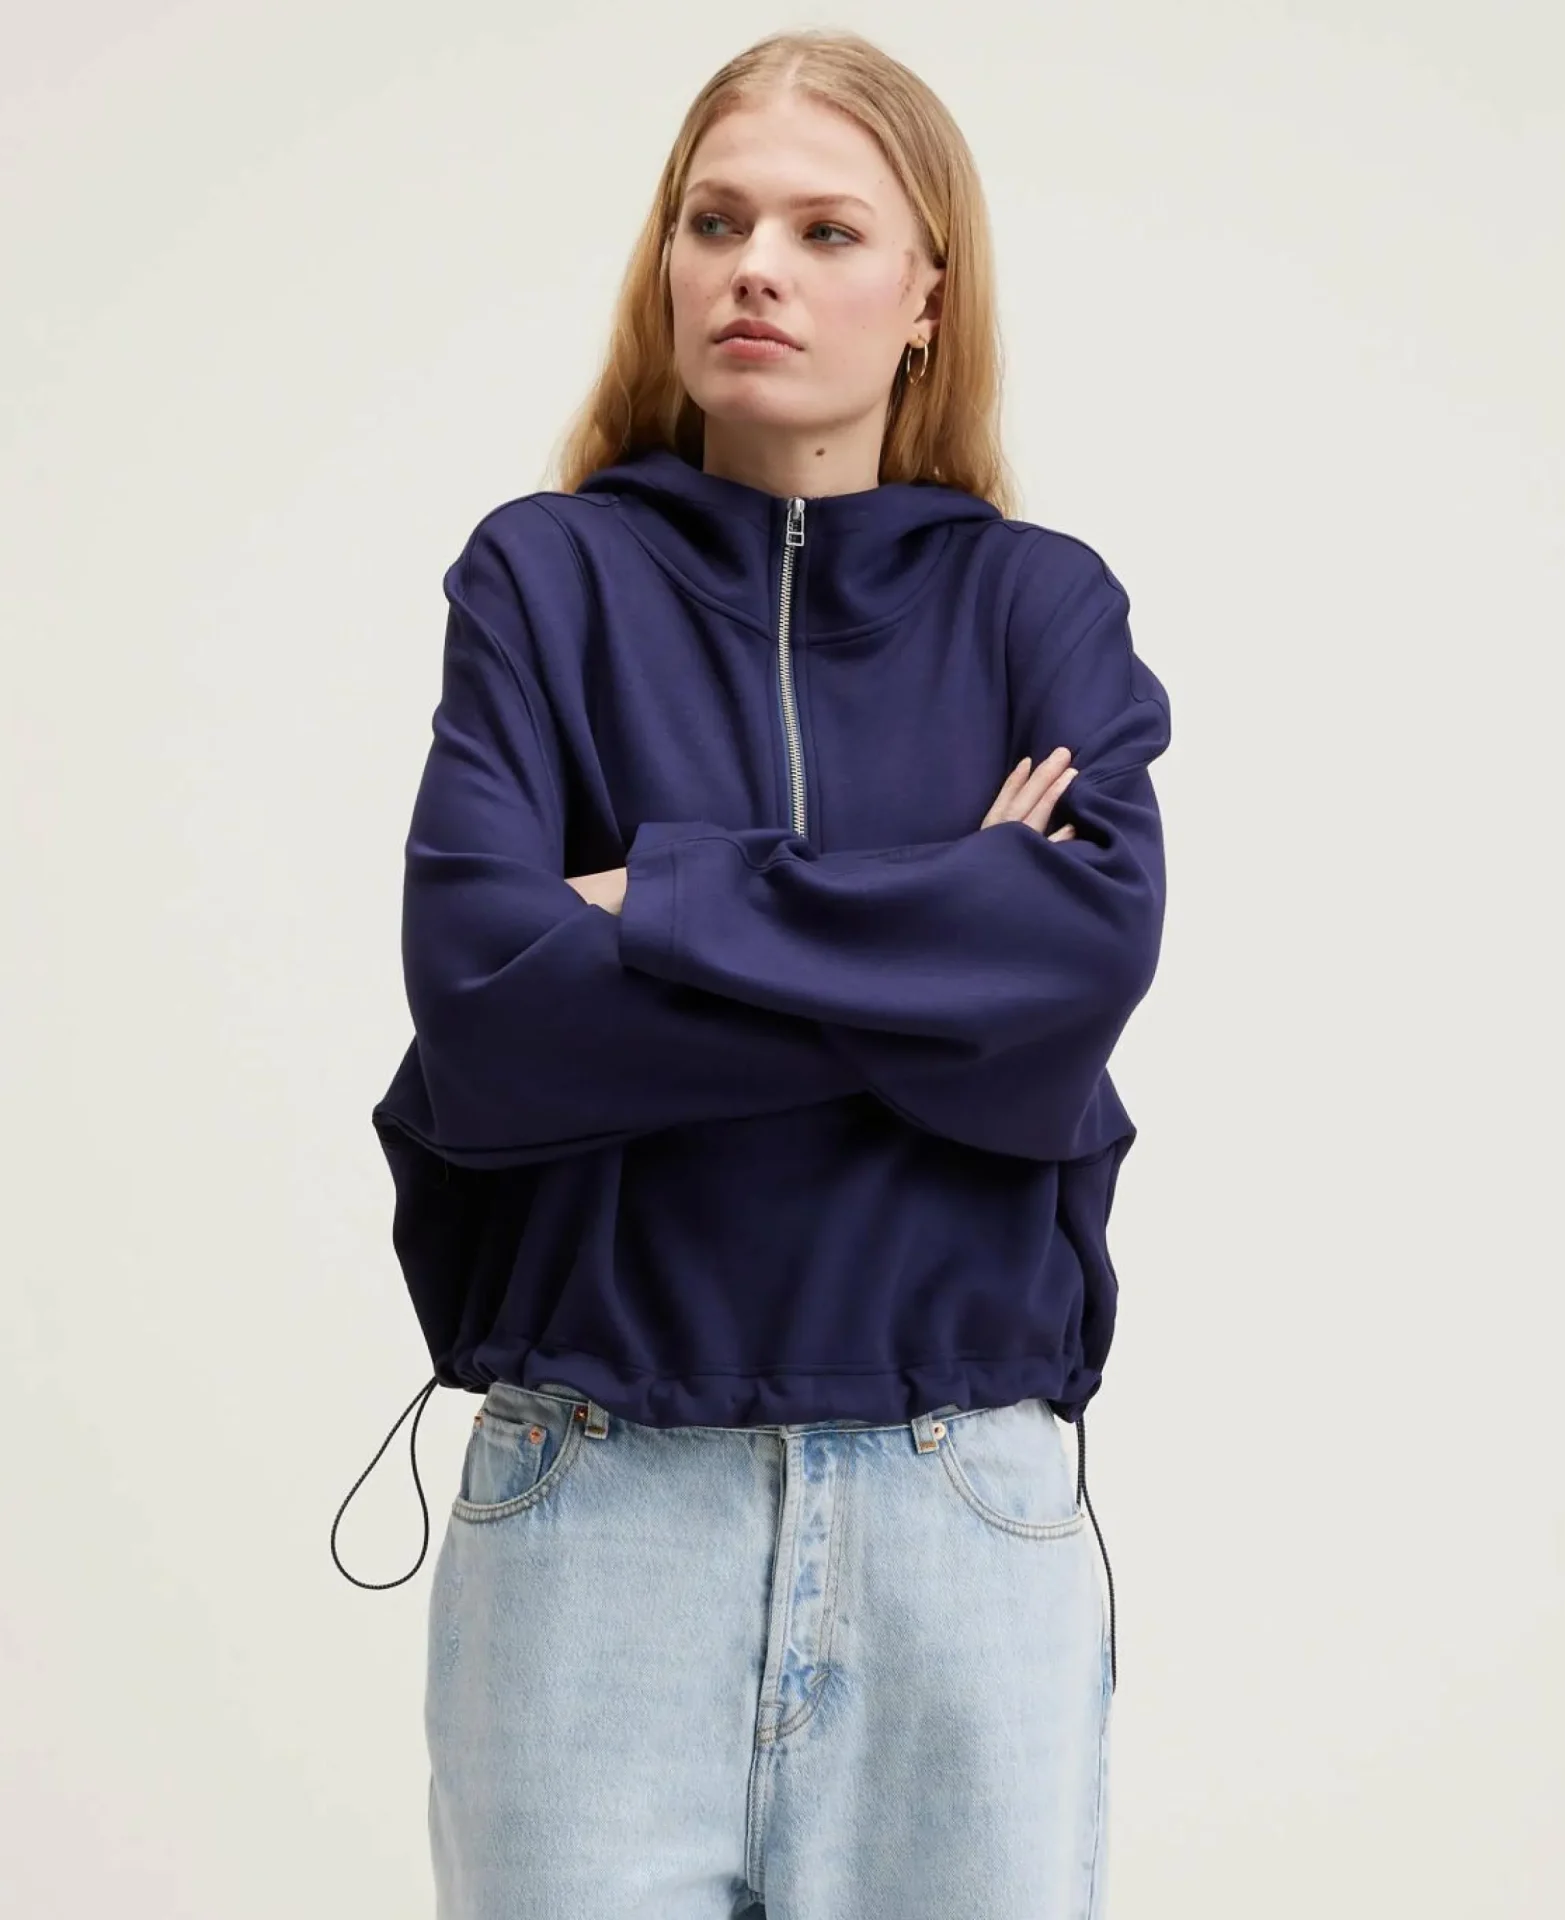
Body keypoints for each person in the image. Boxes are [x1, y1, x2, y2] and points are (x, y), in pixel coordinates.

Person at [333, 28, 1169, 1918]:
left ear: (928, 293)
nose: (755, 269)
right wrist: (943, 945)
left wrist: (652, 898)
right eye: (714, 223)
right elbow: (485, 1000)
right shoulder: (545, 582)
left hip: (958, 1515)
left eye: (822, 229)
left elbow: (1084, 950)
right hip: (596, 1513)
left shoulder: (1038, 606)